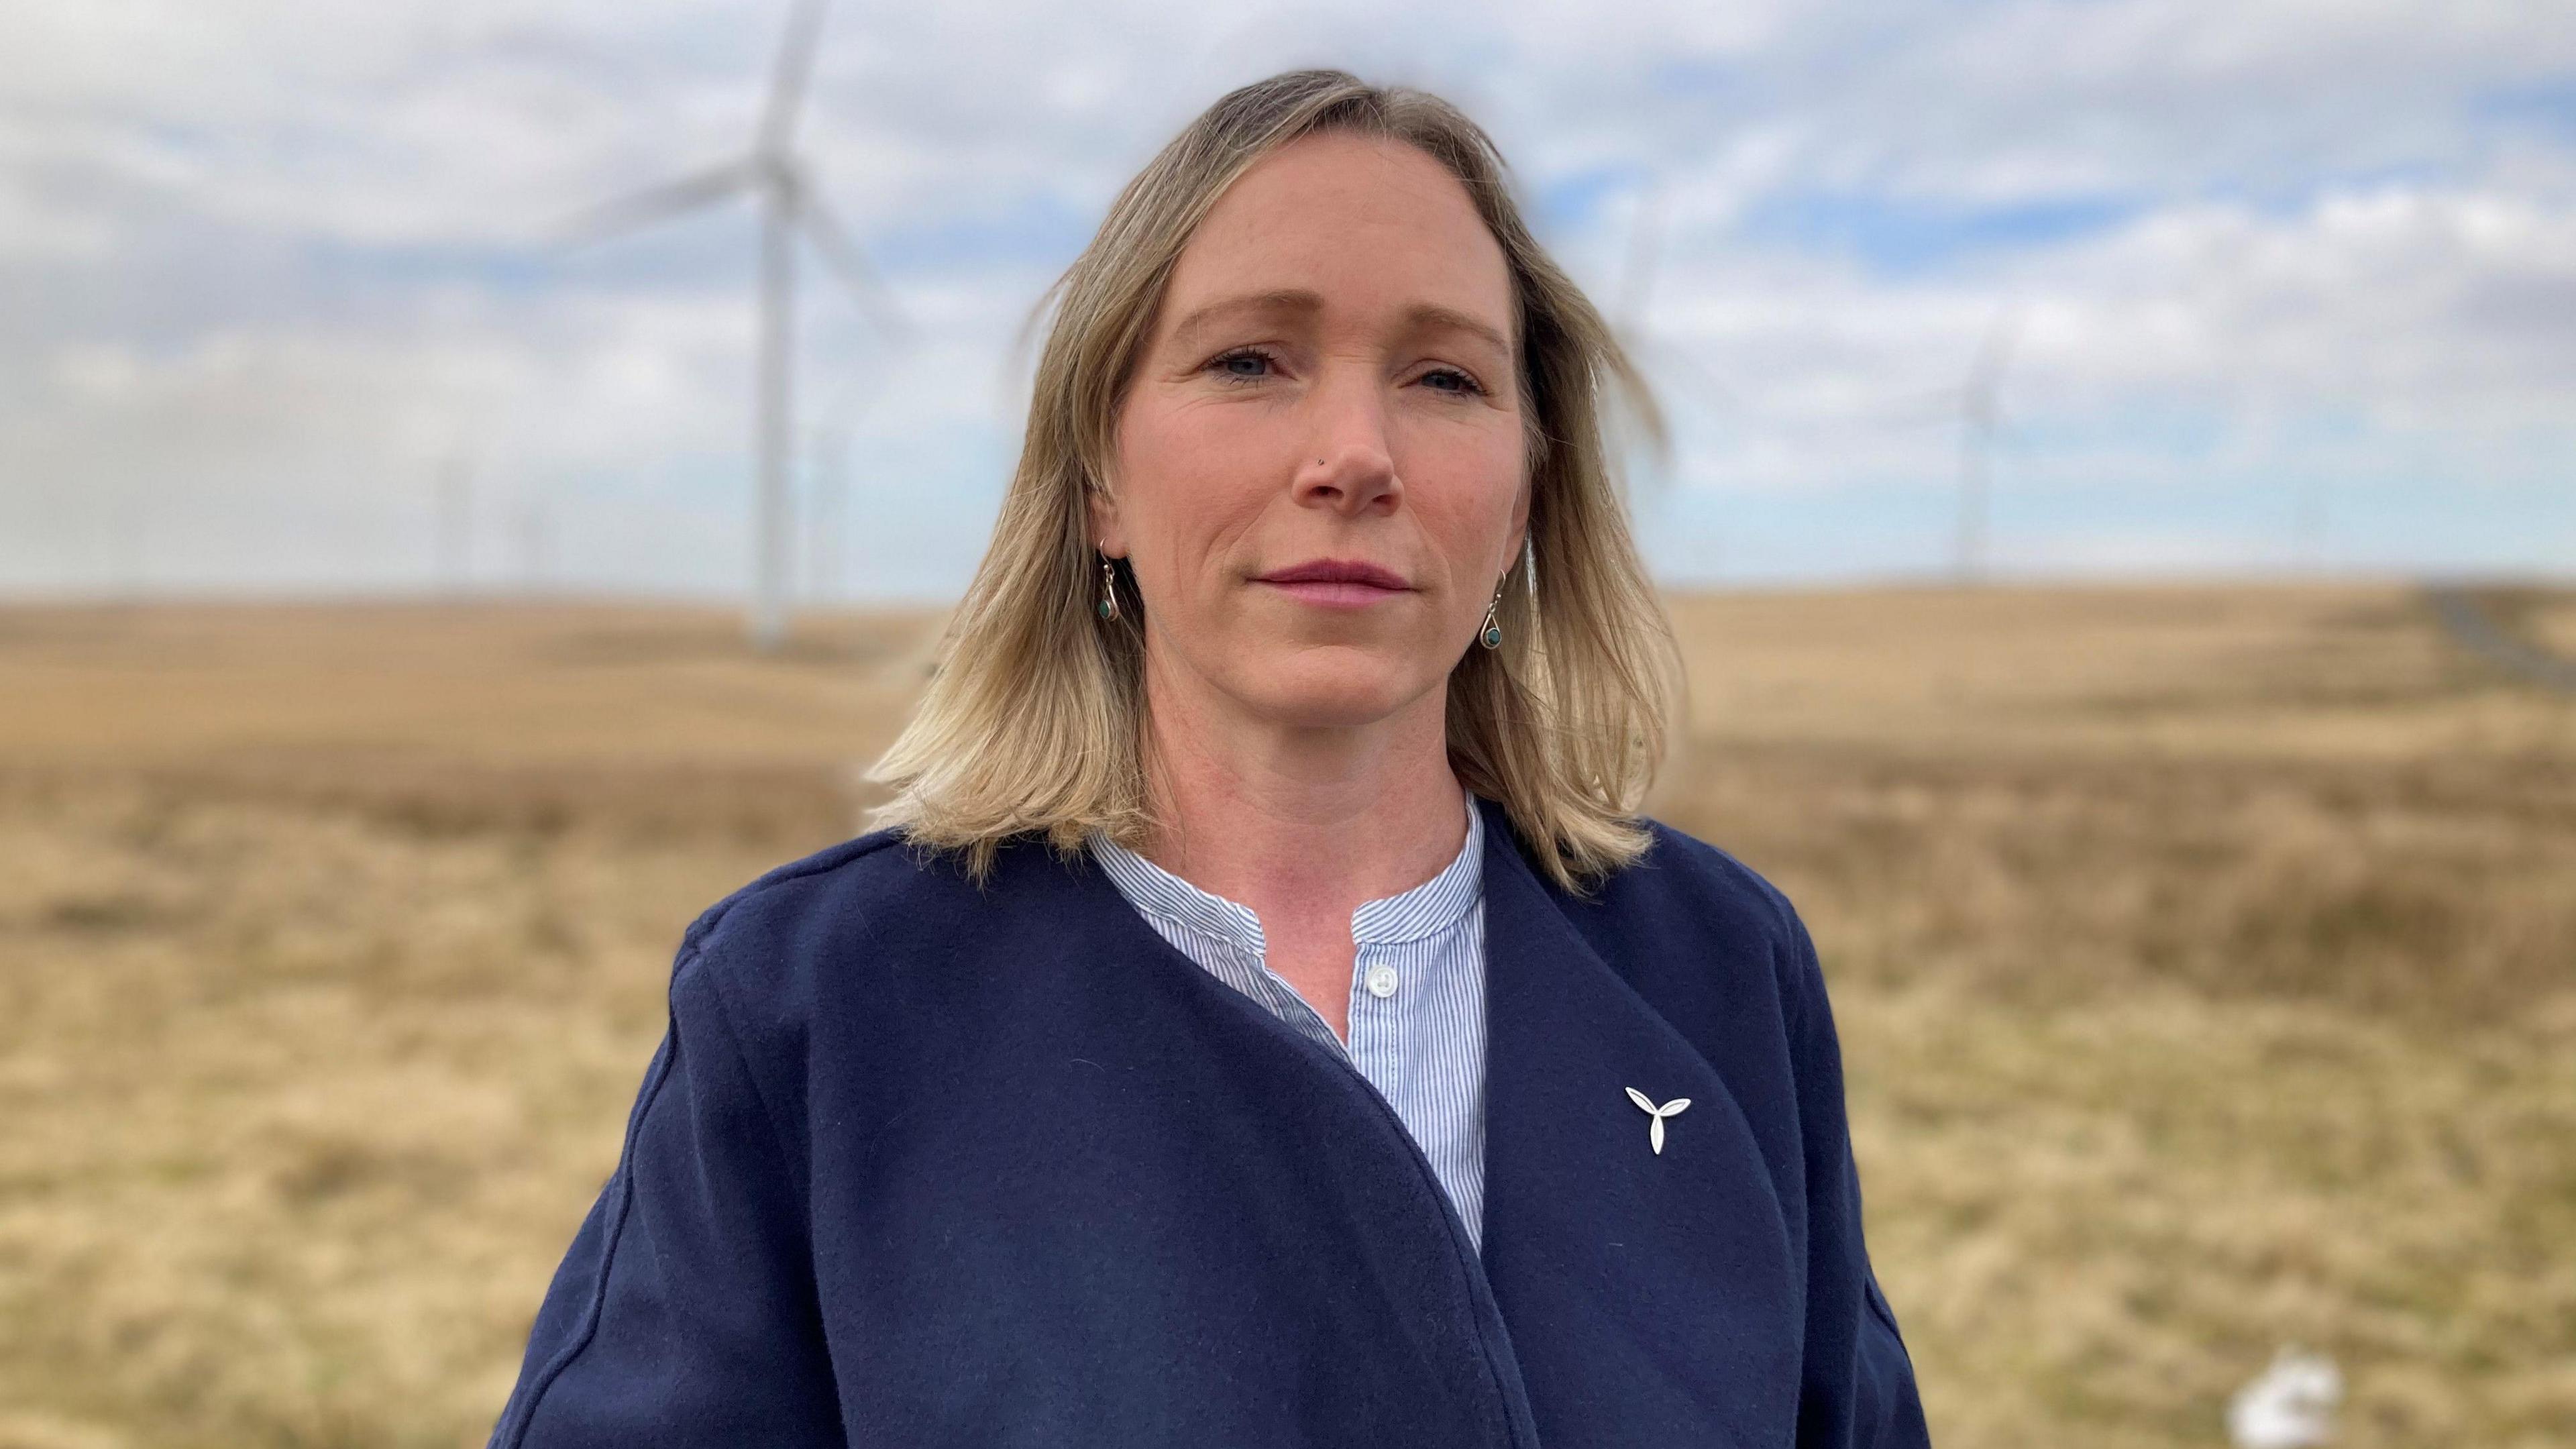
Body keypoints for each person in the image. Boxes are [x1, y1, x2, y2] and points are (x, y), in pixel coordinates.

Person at [487, 68, 1930, 1448]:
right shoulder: (819, 1004)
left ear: (1529, 500)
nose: (1356, 454)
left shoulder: (1721, 970)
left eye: (1444, 377)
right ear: (1100, 474)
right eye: (1250, 360)